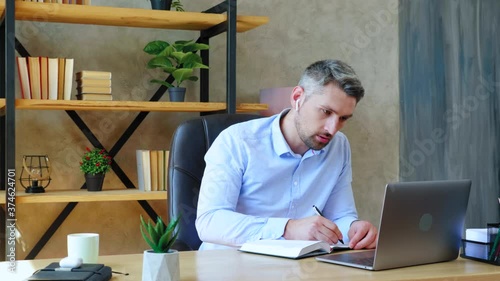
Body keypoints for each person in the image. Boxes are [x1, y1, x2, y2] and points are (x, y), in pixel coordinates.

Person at [195, 59, 378, 250]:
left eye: (343, 118)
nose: (332, 129)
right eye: (326, 112)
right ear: (297, 97)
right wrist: (287, 229)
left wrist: (353, 229)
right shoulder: (237, 141)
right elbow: (210, 222)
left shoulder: (339, 146)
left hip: (298, 269)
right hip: (228, 267)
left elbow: (340, 216)